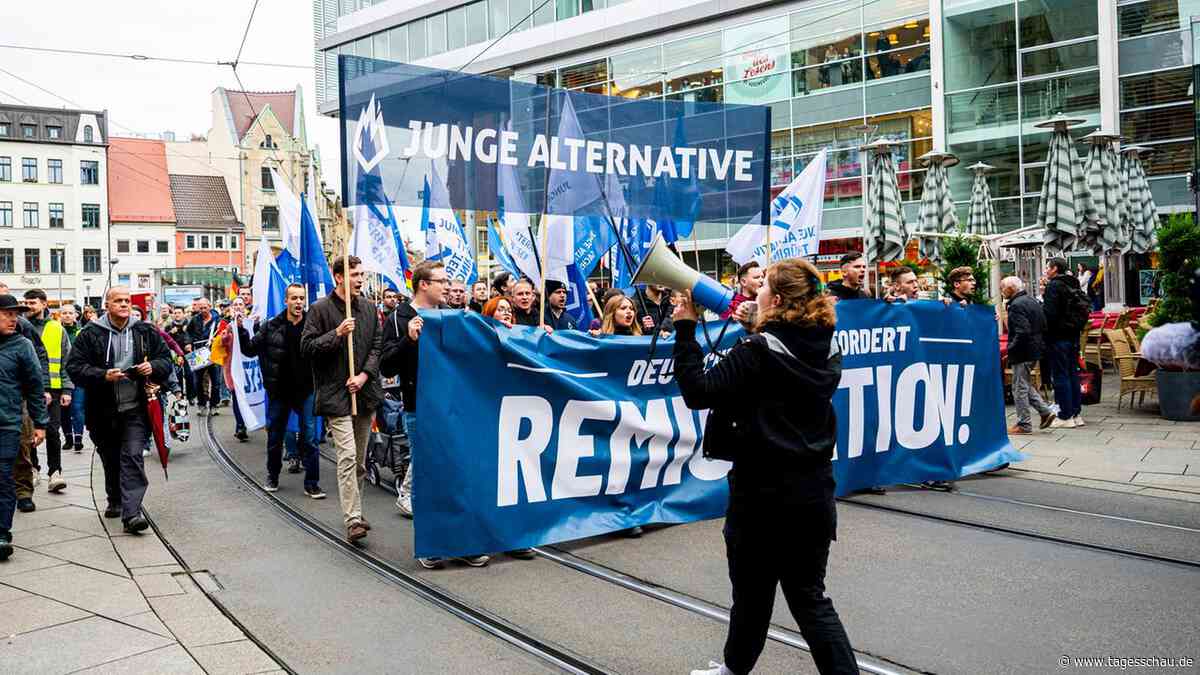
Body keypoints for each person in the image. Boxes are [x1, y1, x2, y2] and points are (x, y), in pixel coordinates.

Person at [673, 259, 857, 675]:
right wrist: (756, 326)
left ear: (775, 299)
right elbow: (786, 355)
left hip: (762, 495)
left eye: (762, 289)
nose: (754, 294)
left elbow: (699, 391)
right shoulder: (827, 346)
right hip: (813, 492)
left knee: (753, 597)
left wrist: (685, 328)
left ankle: (733, 671)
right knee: (810, 598)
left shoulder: (758, 349)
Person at [380, 261, 490, 568]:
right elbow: (386, 365)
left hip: (456, 408)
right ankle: (432, 543)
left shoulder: (453, 316)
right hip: (419, 408)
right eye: (441, 281)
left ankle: (464, 541)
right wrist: (408, 340)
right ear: (423, 285)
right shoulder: (399, 317)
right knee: (428, 475)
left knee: (459, 473)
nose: (448, 286)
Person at [65, 286, 173, 533]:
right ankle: (114, 498)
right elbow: (75, 367)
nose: (124, 304)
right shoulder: (90, 333)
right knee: (111, 458)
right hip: (102, 410)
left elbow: (166, 360)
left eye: (127, 300)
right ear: (107, 305)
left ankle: (132, 513)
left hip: (136, 408)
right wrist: (103, 375)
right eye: (118, 301)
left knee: (133, 456)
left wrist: (153, 366)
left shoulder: (145, 330)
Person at [301, 256, 383, 543]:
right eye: (355, 275)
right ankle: (352, 519)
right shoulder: (320, 310)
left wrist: (363, 376)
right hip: (336, 394)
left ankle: (357, 510)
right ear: (338, 277)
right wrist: (337, 333)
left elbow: (376, 346)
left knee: (360, 460)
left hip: (364, 392)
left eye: (362, 274)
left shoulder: (370, 309)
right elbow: (308, 347)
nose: (360, 279)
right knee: (346, 456)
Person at [239, 283, 325, 498]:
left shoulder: (312, 325)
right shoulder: (271, 326)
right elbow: (249, 350)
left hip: (306, 389)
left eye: (301, 298)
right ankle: (273, 475)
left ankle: (312, 483)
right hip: (280, 391)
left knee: (311, 437)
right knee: (275, 436)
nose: (298, 302)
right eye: (294, 298)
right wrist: (240, 329)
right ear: (286, 301)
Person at [0, 294, 48, 561]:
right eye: (7, 314)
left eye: (15, 314)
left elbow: (34, 385)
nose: (13, 318)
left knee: (2, 476)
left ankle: (2, 532)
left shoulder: (22, 345)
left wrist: (40, 423)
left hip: (8, 423)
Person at [22, 290, 73, 494]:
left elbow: (66, 361)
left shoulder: (56, 328)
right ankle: (33, 468)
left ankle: (55, 472)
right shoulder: (19, 326)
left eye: (32, 302)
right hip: (27, 389)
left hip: (54, 388)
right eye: (25, 302)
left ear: (44, 304)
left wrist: (67, 389)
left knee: (52, 431)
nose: (28, 306)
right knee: (28, 433)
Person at [1001, 277, 1057, 437]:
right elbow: (1044, 325)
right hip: (1035, 349)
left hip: (1023, 351)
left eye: (1003, 288)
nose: (1002, 291)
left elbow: (1022, 331)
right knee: (1023, 384)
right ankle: (1045, 412)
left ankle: (1024, 424)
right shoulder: (1031, 300)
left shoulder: (1016, 305)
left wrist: (1010, 348)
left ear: (1011, 288)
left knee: (1019, 388)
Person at [1042, 257, 1085, 428]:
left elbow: (1050, 315)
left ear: (1054, 269)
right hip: (1073, 335)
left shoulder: (1054, 286)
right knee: (1072, 374)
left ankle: (1065, 415)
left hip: (1058, 337)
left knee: (1060, 376)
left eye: (1047, 267)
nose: (1046, 270)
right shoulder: (1073, 283)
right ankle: (1075, 413)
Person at [186, 297, 222, 415]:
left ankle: (214, 404)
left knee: (216, 382)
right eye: (200, 308)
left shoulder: (217, 320)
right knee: (198, 382)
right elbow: (188, 333)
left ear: (209, 307)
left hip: (213, 353)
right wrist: (188, 344)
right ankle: (201, 404)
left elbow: (223, 333)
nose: (203, 310)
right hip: (198, 353)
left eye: (205, 307)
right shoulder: (195, 320)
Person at [58, 304, 86, 453]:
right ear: (60, 315)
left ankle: (78, 439)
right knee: (64, 410)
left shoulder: (82, 332)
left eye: (70, 313)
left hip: (78, 376)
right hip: (61, 376)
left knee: (77, 408)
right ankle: (68, 437)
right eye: (64, 313)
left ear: (76, 315)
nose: (67, 315)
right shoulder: (57, 331)